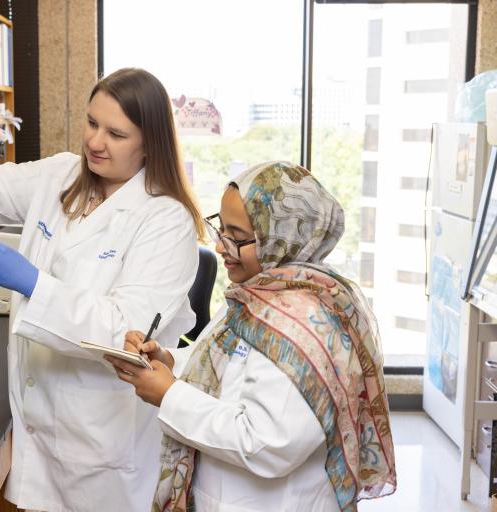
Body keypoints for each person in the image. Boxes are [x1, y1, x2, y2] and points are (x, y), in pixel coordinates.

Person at [0, 68, 204, 511]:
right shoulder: (62, 175)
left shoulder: (166, 220)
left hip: (101, 446)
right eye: (92, 123)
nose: (96, 142)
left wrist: (34, 283)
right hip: (37, 421)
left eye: (116, 133)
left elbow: (127, 332)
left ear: (149, 142)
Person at [107, 161, 397, 511]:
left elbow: (269, 444)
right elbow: (231, 364)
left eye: (238, 238)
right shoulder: (259, 295)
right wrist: (170, 361)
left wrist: (169, 395)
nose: (220, 247)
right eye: (221, 229)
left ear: (282, 238)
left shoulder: (304, 323)